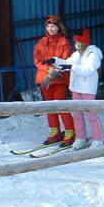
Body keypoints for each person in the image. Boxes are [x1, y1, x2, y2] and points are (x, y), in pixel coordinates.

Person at [51, 29, 104, 150]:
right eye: (76, 43)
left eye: (80, 43)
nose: (77, 45)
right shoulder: (76, 54)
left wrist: (71, 67)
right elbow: (67, 63)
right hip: (76, 88)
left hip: (87, 88)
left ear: (86, 42)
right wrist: (55, 60)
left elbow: (88, 70)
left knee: (91, 115)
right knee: (77, 115)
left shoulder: (93, 54)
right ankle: (80, 138)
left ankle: (99, 138)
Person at [33, 15, 75, 148]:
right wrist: (48, 70)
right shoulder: (41, 42)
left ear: (59, 28)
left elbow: (65, 60)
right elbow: (37, 61)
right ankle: (54, 132)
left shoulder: (64, 42)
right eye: (48, 26)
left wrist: (53, 71)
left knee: (61, 106)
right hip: (45, 79)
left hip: (59, 79)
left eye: (54, 26)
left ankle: (69, 132)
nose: (51, 29)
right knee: (50, 108)